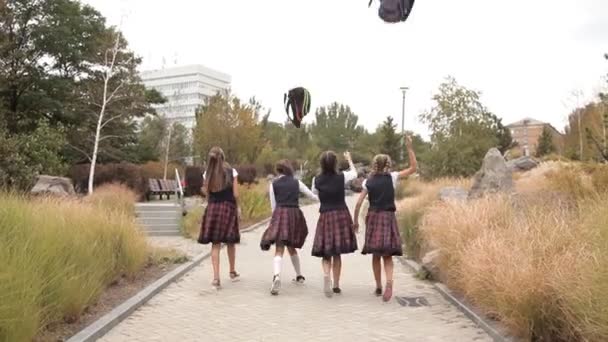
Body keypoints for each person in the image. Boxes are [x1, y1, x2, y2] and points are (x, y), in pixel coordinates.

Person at [353, 136, 417, 302]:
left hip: (374, 218)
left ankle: (379, 286)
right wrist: (409, 148)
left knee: (376, 254)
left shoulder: (368, 181)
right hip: (388, 218)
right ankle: (389, 282)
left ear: (374, 165)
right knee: (387, 255)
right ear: (388, 164)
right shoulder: (393, 177)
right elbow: (413, 168)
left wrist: (355, 221)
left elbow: (359, 202)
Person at [260, 160, 319, 295]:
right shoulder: (296, 182)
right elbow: (312, 196)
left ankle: (276, 276)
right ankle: (299, 275)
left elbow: (273, 206)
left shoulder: (273, 184)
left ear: (278, 171)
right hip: (294, 215)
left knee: (279, 248)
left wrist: (274, 221)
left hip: (280, 214)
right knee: (291, 247)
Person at [311, 151, 359, 297]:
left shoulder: (316, 180)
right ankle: (336, 285)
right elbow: (355, 174)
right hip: (341, 214)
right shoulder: (341, 177)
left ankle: (327, 275)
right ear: (335, 163)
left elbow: (315, 194)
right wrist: (350, 159)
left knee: (326, 252)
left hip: (325, 215)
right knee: (337, 252)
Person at [198, 147, 241, 290]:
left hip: (213, 209)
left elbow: (207, 193)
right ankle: (232, 272)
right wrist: (238, 208)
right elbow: (235, 194)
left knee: (215, 244)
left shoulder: (207, 174)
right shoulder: (231, 172)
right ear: (223, 157)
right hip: (228, 208)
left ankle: (216, 279)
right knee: (230, 242)